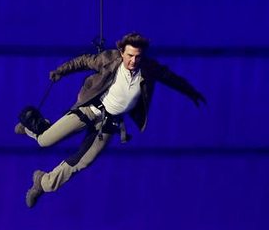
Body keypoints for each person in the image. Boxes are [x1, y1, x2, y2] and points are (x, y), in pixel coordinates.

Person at [16, 32, 206, 208]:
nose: (133, 61)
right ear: (122, 52)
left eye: (138, 56)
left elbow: (170, 77)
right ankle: (29, 128)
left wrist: (192, 92)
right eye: (130, 56)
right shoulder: (109, 59)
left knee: (84, 161)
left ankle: (43, 182)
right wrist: (61, 71)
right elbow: (83, 61)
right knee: (45, 140)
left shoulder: (148, 68)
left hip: (109, 123)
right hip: (90, 110)